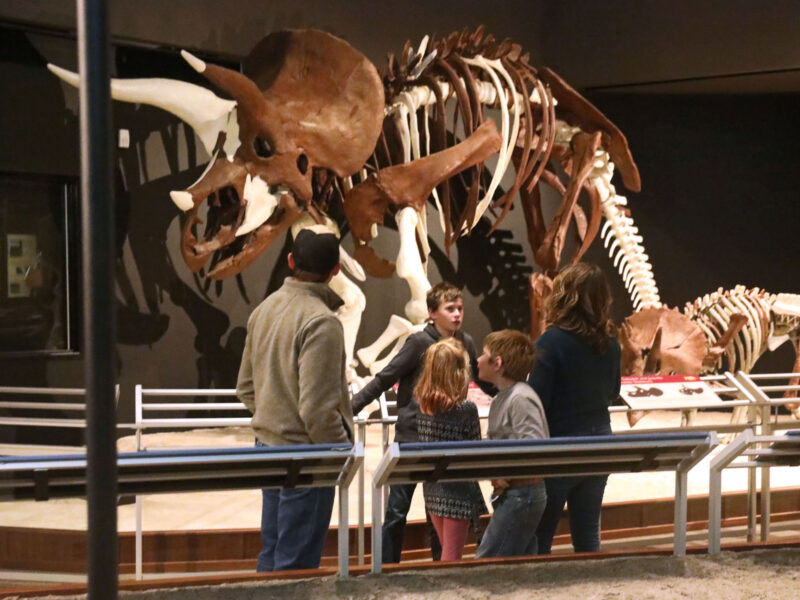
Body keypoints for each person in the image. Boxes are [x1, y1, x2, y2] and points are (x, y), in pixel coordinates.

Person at [236, 226, 353, 572]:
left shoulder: (263, 310)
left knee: (272, 551)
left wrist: (275, 420)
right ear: (336, 270)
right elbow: (317, 411)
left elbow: (245, 387)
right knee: (296, 565)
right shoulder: (322, 322)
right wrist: (341, 451)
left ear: (290, 261)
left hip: (268, 448)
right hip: (305, 457)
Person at [351, 282, 490, 564]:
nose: (457, 314)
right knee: (397, 510)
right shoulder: (417, 342)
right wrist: (351, 407)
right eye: (450, 309)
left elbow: (482, 380)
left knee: (441, 509)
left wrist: (511, 389)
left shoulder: (466, 341)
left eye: (460, 308)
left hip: (445, 444)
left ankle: (441, 566)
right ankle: (387, 566)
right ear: (432, 312)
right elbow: (385, 378)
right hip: (412, 441)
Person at [528, 262, 621, 554]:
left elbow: (536, 400)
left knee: (542, 532)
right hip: (600, 443)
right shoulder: (611, 342)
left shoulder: (551, 341)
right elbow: (614, 392)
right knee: (588, 531)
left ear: (564, 295)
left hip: (560, 445)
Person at [474, 329, 549, 557]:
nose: (478, 360)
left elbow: (535, 448)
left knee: (488, 563)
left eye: (484, 354)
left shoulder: (520, 398)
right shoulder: (504, 397)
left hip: (522, 494)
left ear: (497, 363)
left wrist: (505, 473)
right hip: (515, 494)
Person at [415, 338, 487, 560]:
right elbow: (475, 449)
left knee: (447, 549)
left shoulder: (423, 405)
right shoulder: (465, 409)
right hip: (458, 490)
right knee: (452, 557)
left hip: (433, 488)